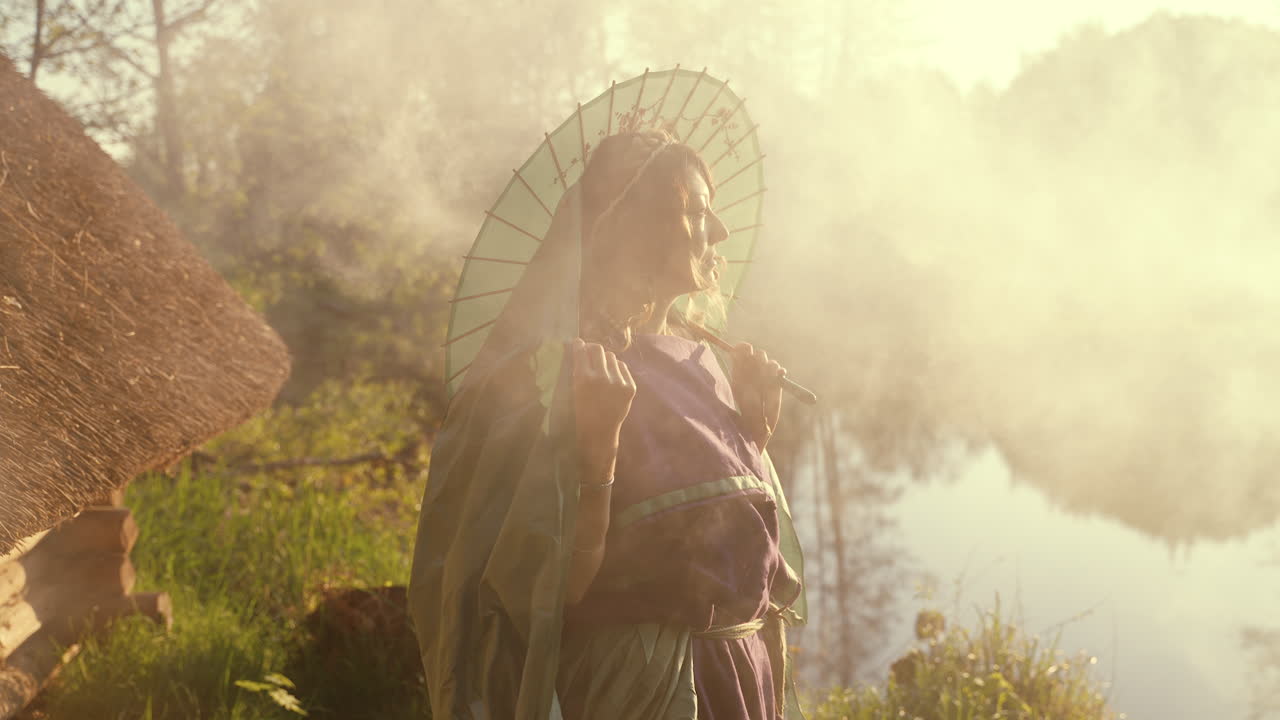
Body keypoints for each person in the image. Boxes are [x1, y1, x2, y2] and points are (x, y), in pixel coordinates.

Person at [409, 128, 806, 720]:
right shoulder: (566, 374)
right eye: (697, 211)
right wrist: (597, 449)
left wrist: (753, 433)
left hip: (741, 675)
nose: (719, 232)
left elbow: (738, 553)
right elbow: (554, 592)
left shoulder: (706, 365)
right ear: (635, 229)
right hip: (651, 689)